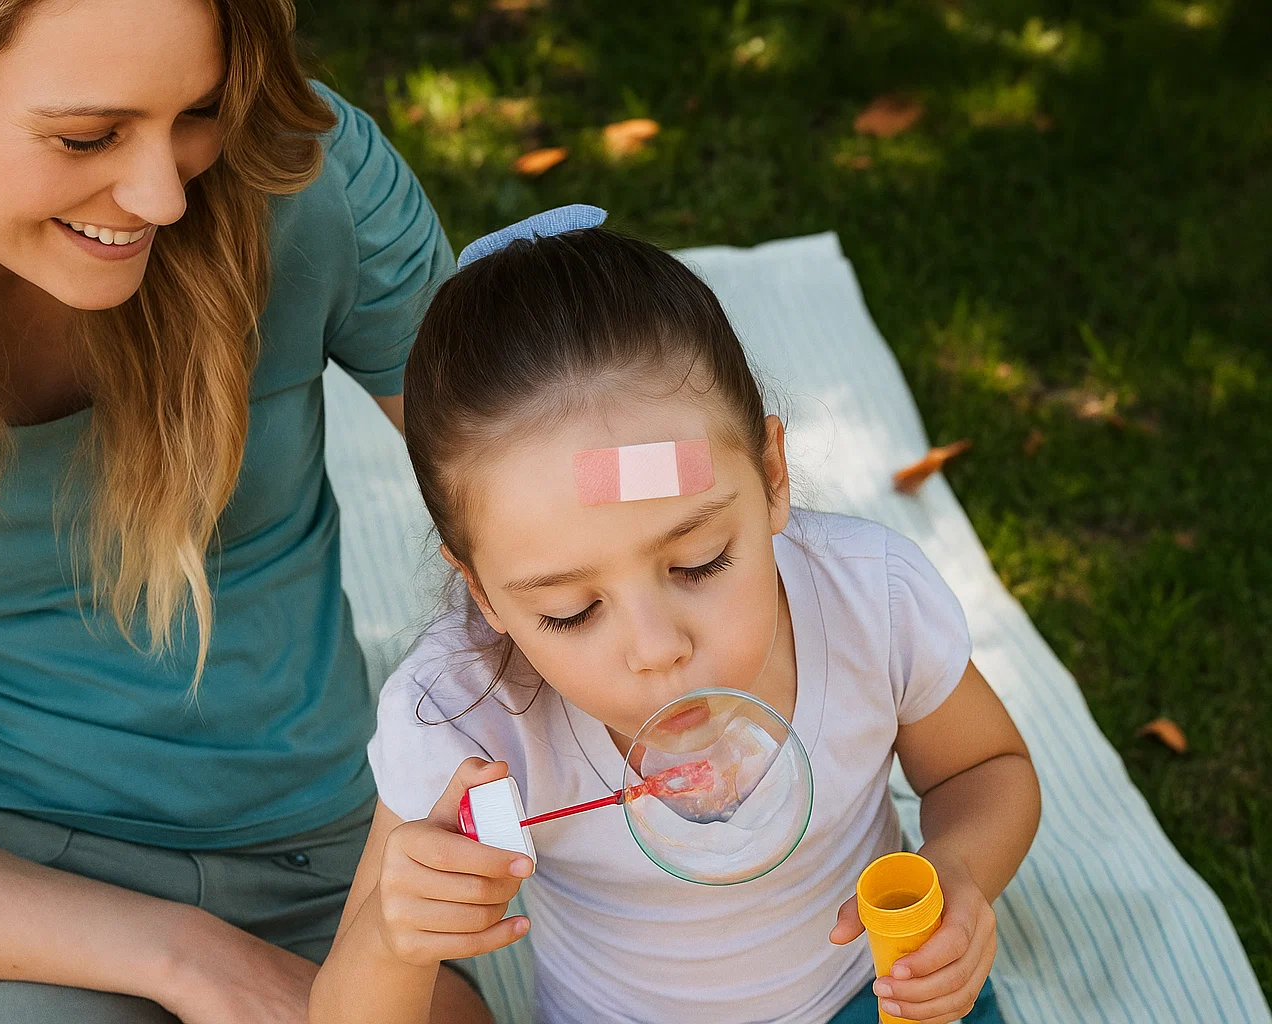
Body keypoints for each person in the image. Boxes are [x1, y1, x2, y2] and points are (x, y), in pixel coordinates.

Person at [0, 0, 485, 1021]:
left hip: (321, 849)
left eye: (198, 111)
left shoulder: (299, 172)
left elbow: (539, 498)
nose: (162, 195)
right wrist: (190, 958)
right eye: (86, 136)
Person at [310, 209, 1043, 1024]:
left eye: (698, 564)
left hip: (876, 998)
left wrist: (958, 874)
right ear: (482, 593)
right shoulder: (467, 717)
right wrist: (389, 935)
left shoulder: (868, 600)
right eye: (571, 610)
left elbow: (984, 770)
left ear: (771, 476)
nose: (657, 650)